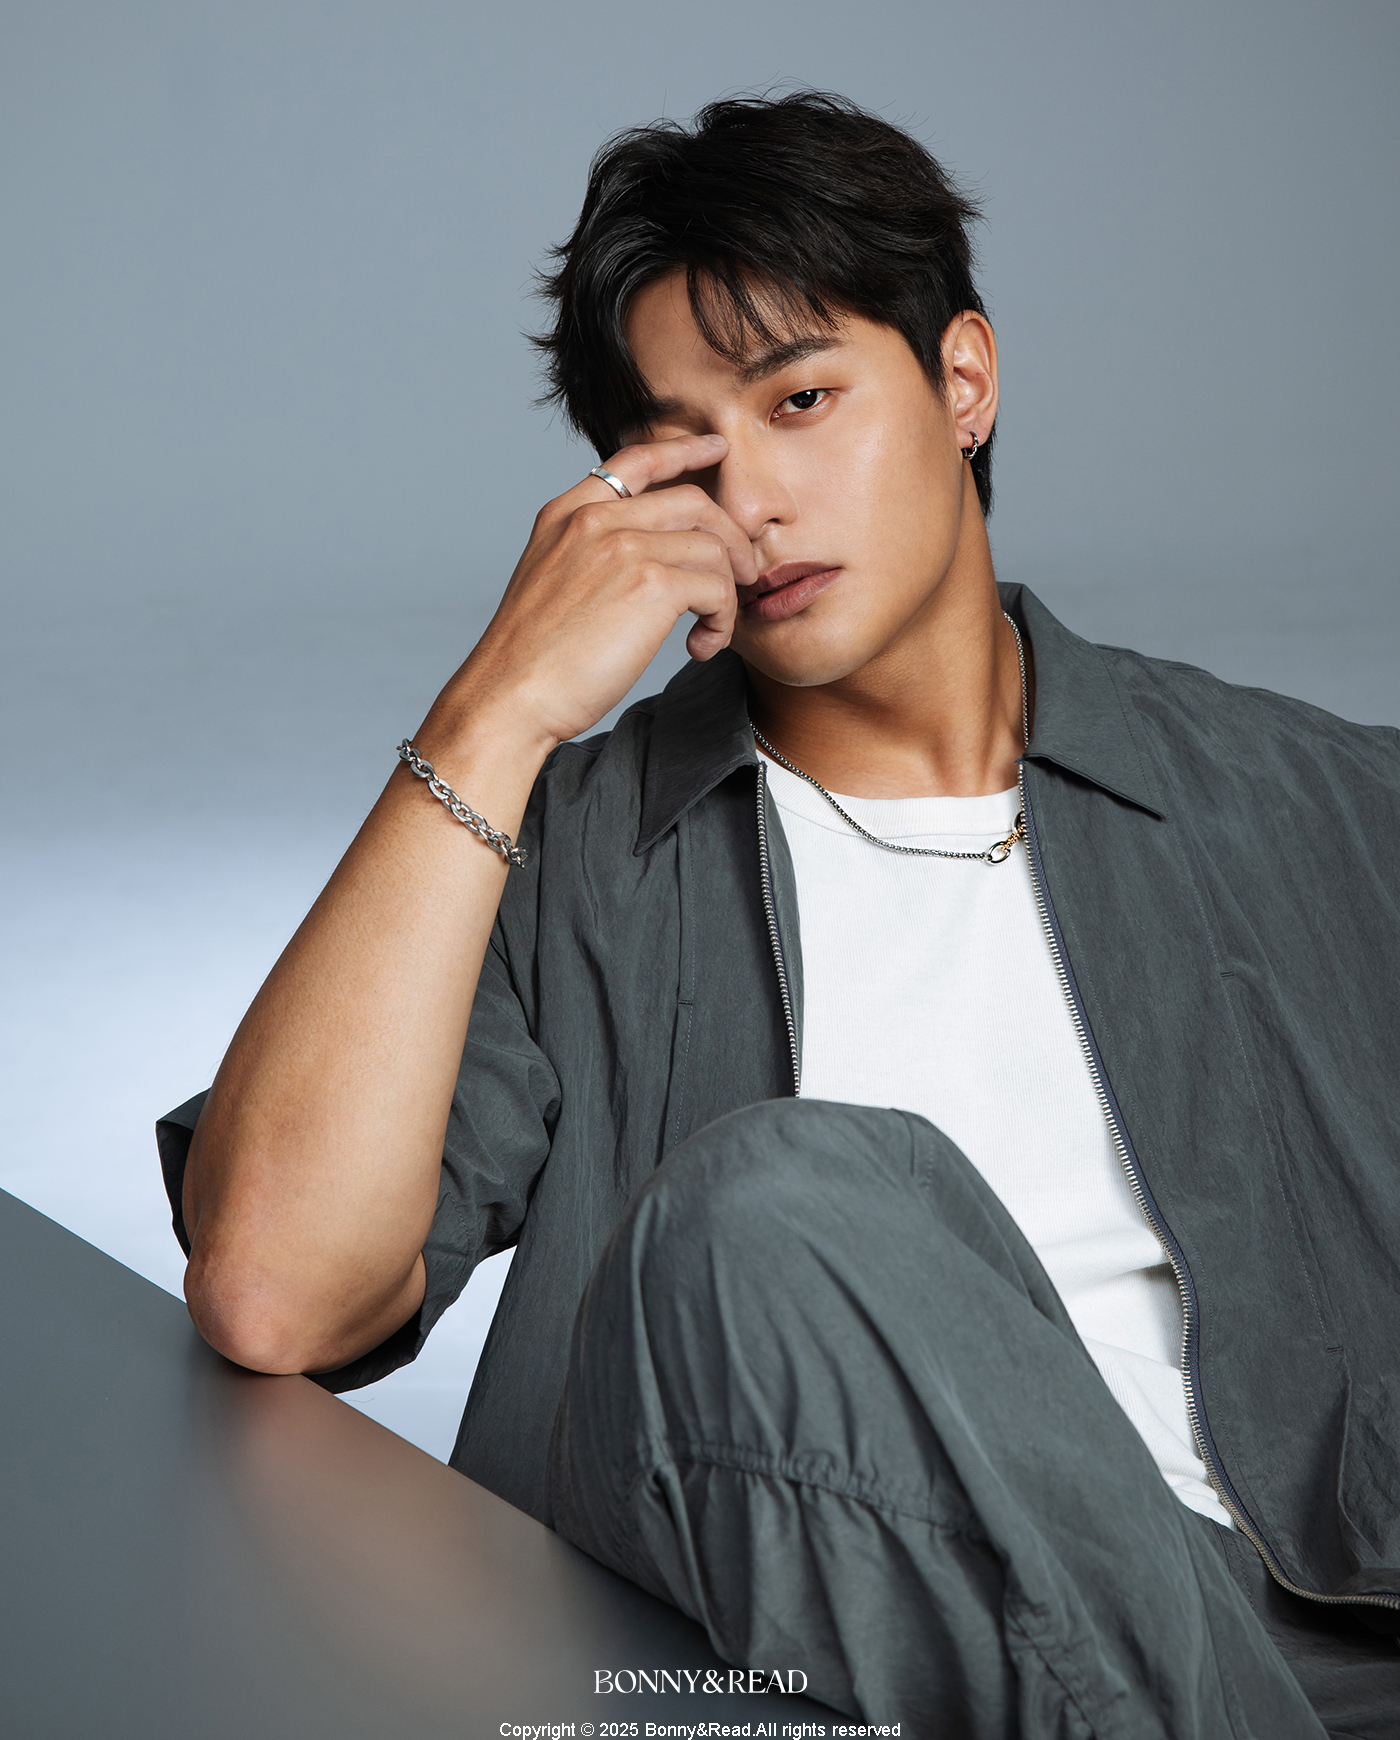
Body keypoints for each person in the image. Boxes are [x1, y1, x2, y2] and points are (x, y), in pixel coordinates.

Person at [157, 93, 1400, 1737]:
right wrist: (497, 710)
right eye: (685, 450)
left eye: (803, 399)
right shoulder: (575, 855)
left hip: (1314, 1655)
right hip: (792, 1649)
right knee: (773, 1204)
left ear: (964, 382)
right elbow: (278, 1289)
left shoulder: (1322, 803)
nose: (751, 500)